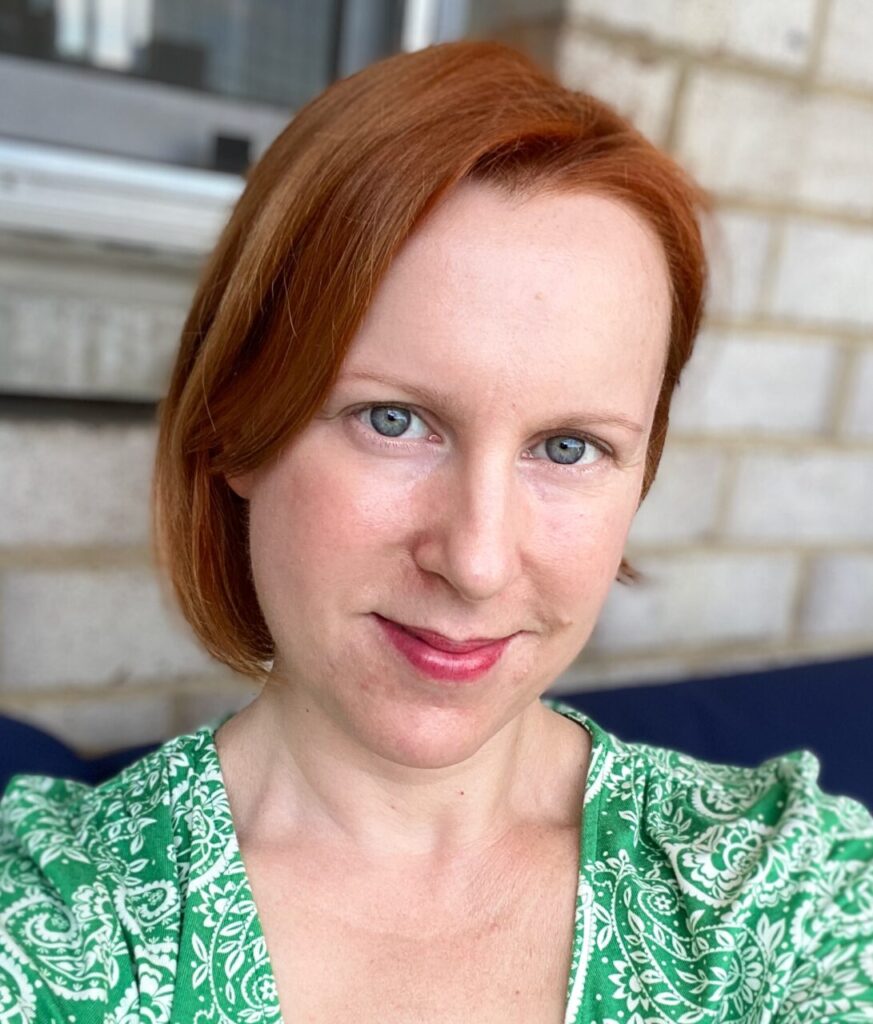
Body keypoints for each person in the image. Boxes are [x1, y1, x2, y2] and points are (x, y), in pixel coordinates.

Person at [0, 38, 871, 1024]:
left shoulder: (781, 893)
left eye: (571, 445)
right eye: (394, 419)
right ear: (239, 423)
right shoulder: (48, 918)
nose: (477, 558)